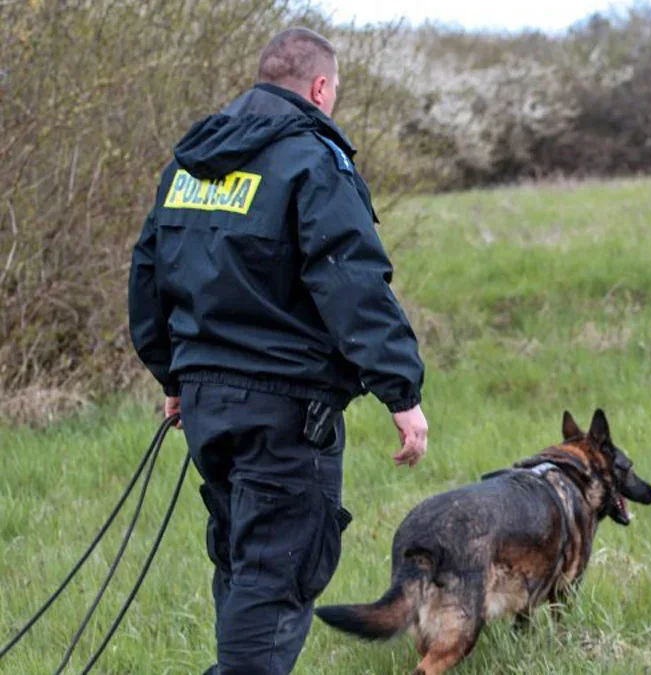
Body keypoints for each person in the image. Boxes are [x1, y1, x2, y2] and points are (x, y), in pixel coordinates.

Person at [127, 27, 428, 674]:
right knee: (276, 572)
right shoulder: (312, 160)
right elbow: (349, 280)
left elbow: (148, 273)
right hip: (285, 410)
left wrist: (173, 375)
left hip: (207, 405)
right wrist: (401, 391)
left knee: (244, 565)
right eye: (336, 91)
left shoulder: (191, 161)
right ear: (320, 88)